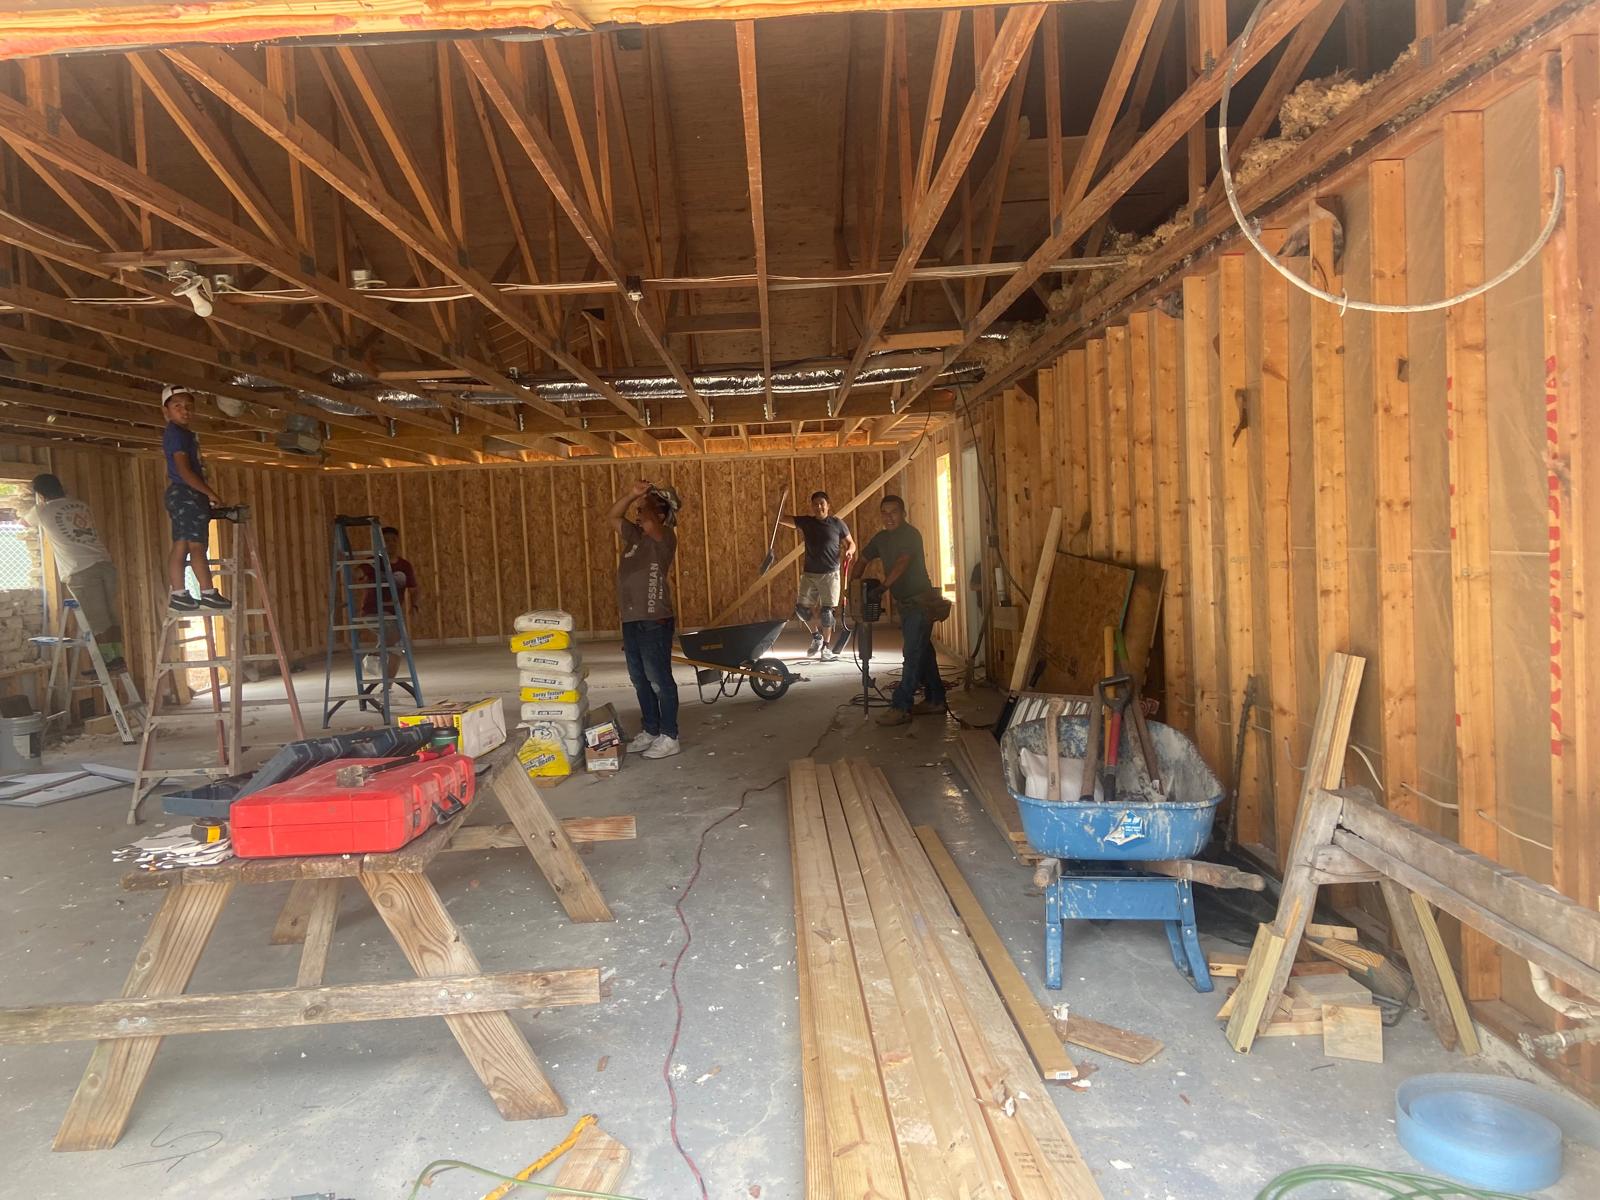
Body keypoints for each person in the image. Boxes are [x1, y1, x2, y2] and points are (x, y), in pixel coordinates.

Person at [850, 494, 949, 726]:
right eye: (884, 513)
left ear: (903, 513)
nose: (889, 517)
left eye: (893, 512)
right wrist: (852, 586)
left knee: (912, 655)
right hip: (905, 605)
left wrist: (883, 587)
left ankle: (901, 706)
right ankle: (936, 700)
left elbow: (902, 562)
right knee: (923, 652)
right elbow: (862, 559)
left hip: (920, 603)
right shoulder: (881, 538)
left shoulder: (910, 535)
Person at [607, 479, 682, 759]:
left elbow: (651, 522)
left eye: (643, 510)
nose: (638, 515)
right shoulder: (634, 537)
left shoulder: (665, 537)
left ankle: (669, 736)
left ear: (660, 515)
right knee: (639, 679)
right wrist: (632, 494)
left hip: (654, 619)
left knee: (659, 679)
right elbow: (613, 516)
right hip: (631, 618)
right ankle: (651, 729)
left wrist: (648, 499)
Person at [22, 474, 126, 674]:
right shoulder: (80, 505)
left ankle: (109, 660)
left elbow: (24, 523)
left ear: (40, 494)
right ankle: (117, 657)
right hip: (105, 564)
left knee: (98, 621)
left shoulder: (41, 510)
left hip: (81, 570)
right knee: (111, 617)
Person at [161, 386, 230, 612]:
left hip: (183, 494)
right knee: (197, 546)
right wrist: (210, 493)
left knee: (182, 544)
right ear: (166, 411)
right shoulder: (177, 435)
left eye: (189, 406)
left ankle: (180, 594)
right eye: (177, 406)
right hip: (187, 493)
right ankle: (207, 593)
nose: (185, 411)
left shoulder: (183, 434)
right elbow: (184, 471)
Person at [779, 490, 855, 660]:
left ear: (828, 506)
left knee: (827, 612)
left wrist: (850, 551)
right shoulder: (807, 522)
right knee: (801, 610)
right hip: (810, 574)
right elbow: (781, 518)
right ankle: (816, 637)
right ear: (812, 507)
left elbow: (851, 543)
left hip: (830, 574)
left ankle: (826, 648)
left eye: (822, 503)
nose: (819, 507)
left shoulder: (837, 524)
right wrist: (782, 499)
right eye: (815, 504)